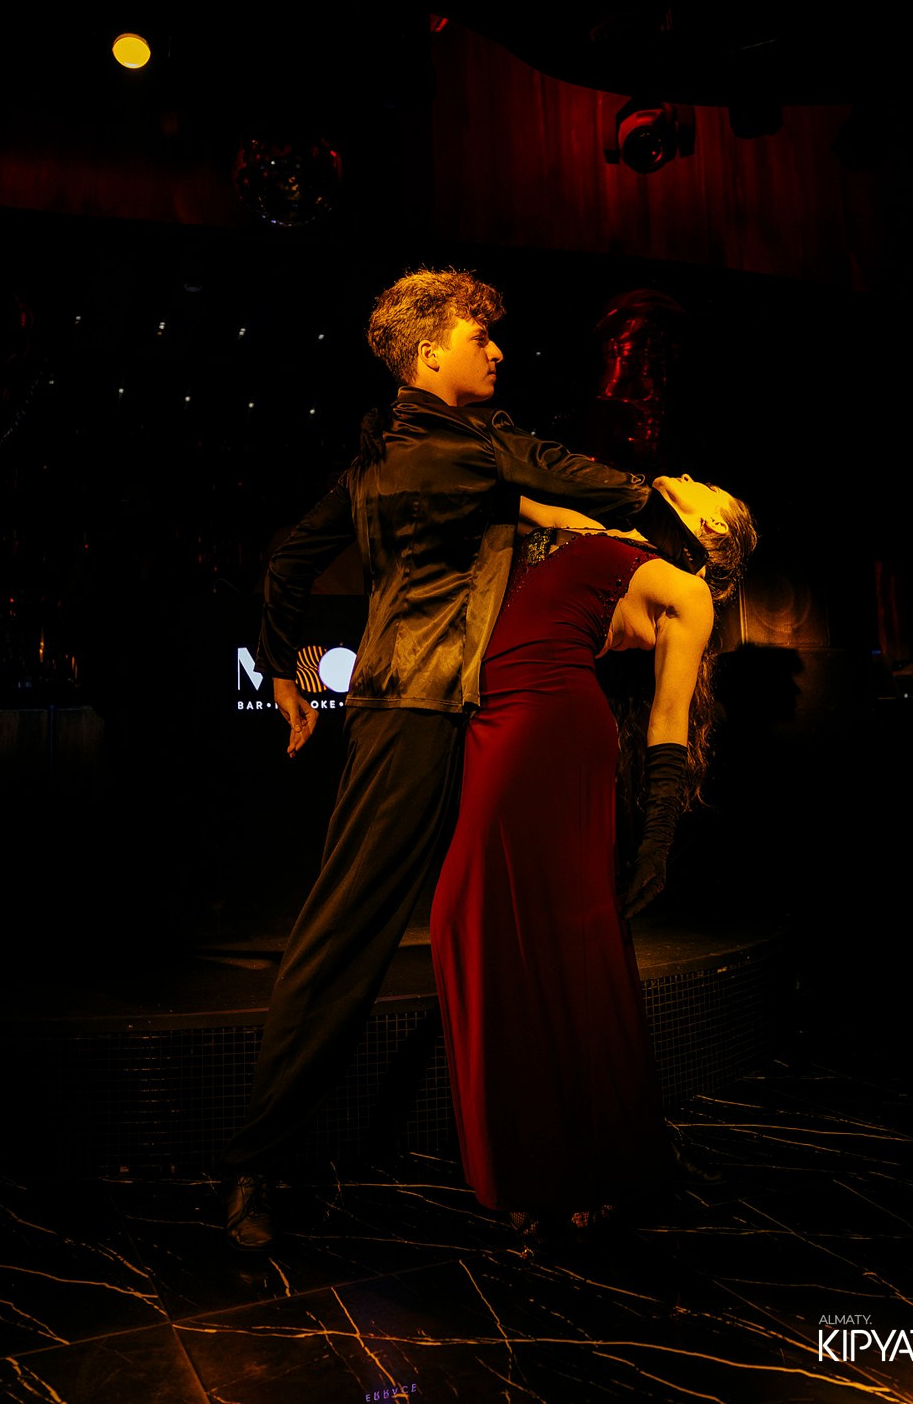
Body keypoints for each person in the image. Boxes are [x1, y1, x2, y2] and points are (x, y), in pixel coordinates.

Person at [222, 268, 699, 1250]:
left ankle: (530, 1155)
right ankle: (254, 1166)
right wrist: (666, 502)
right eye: (479, 337)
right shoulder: (475, 448)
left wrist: (278, 669)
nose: (496, 351)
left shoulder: (390, 462)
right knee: (346, 938)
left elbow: (287, 559)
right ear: (430, 349)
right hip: (418, 714)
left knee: (448, 934)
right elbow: (582, 481)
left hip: (458, 713)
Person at [429, 475, 757, 1238]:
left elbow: (669, 720)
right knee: (486, 933)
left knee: (524, 937)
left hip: (544, 732)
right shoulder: (597, 525)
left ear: (710, 530)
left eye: (704, 486)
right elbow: (497, 494)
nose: (684, 473)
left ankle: (573, 1165)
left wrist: (657, 838)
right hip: (491, 722)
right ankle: (556, 1160)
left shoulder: (686, 592)